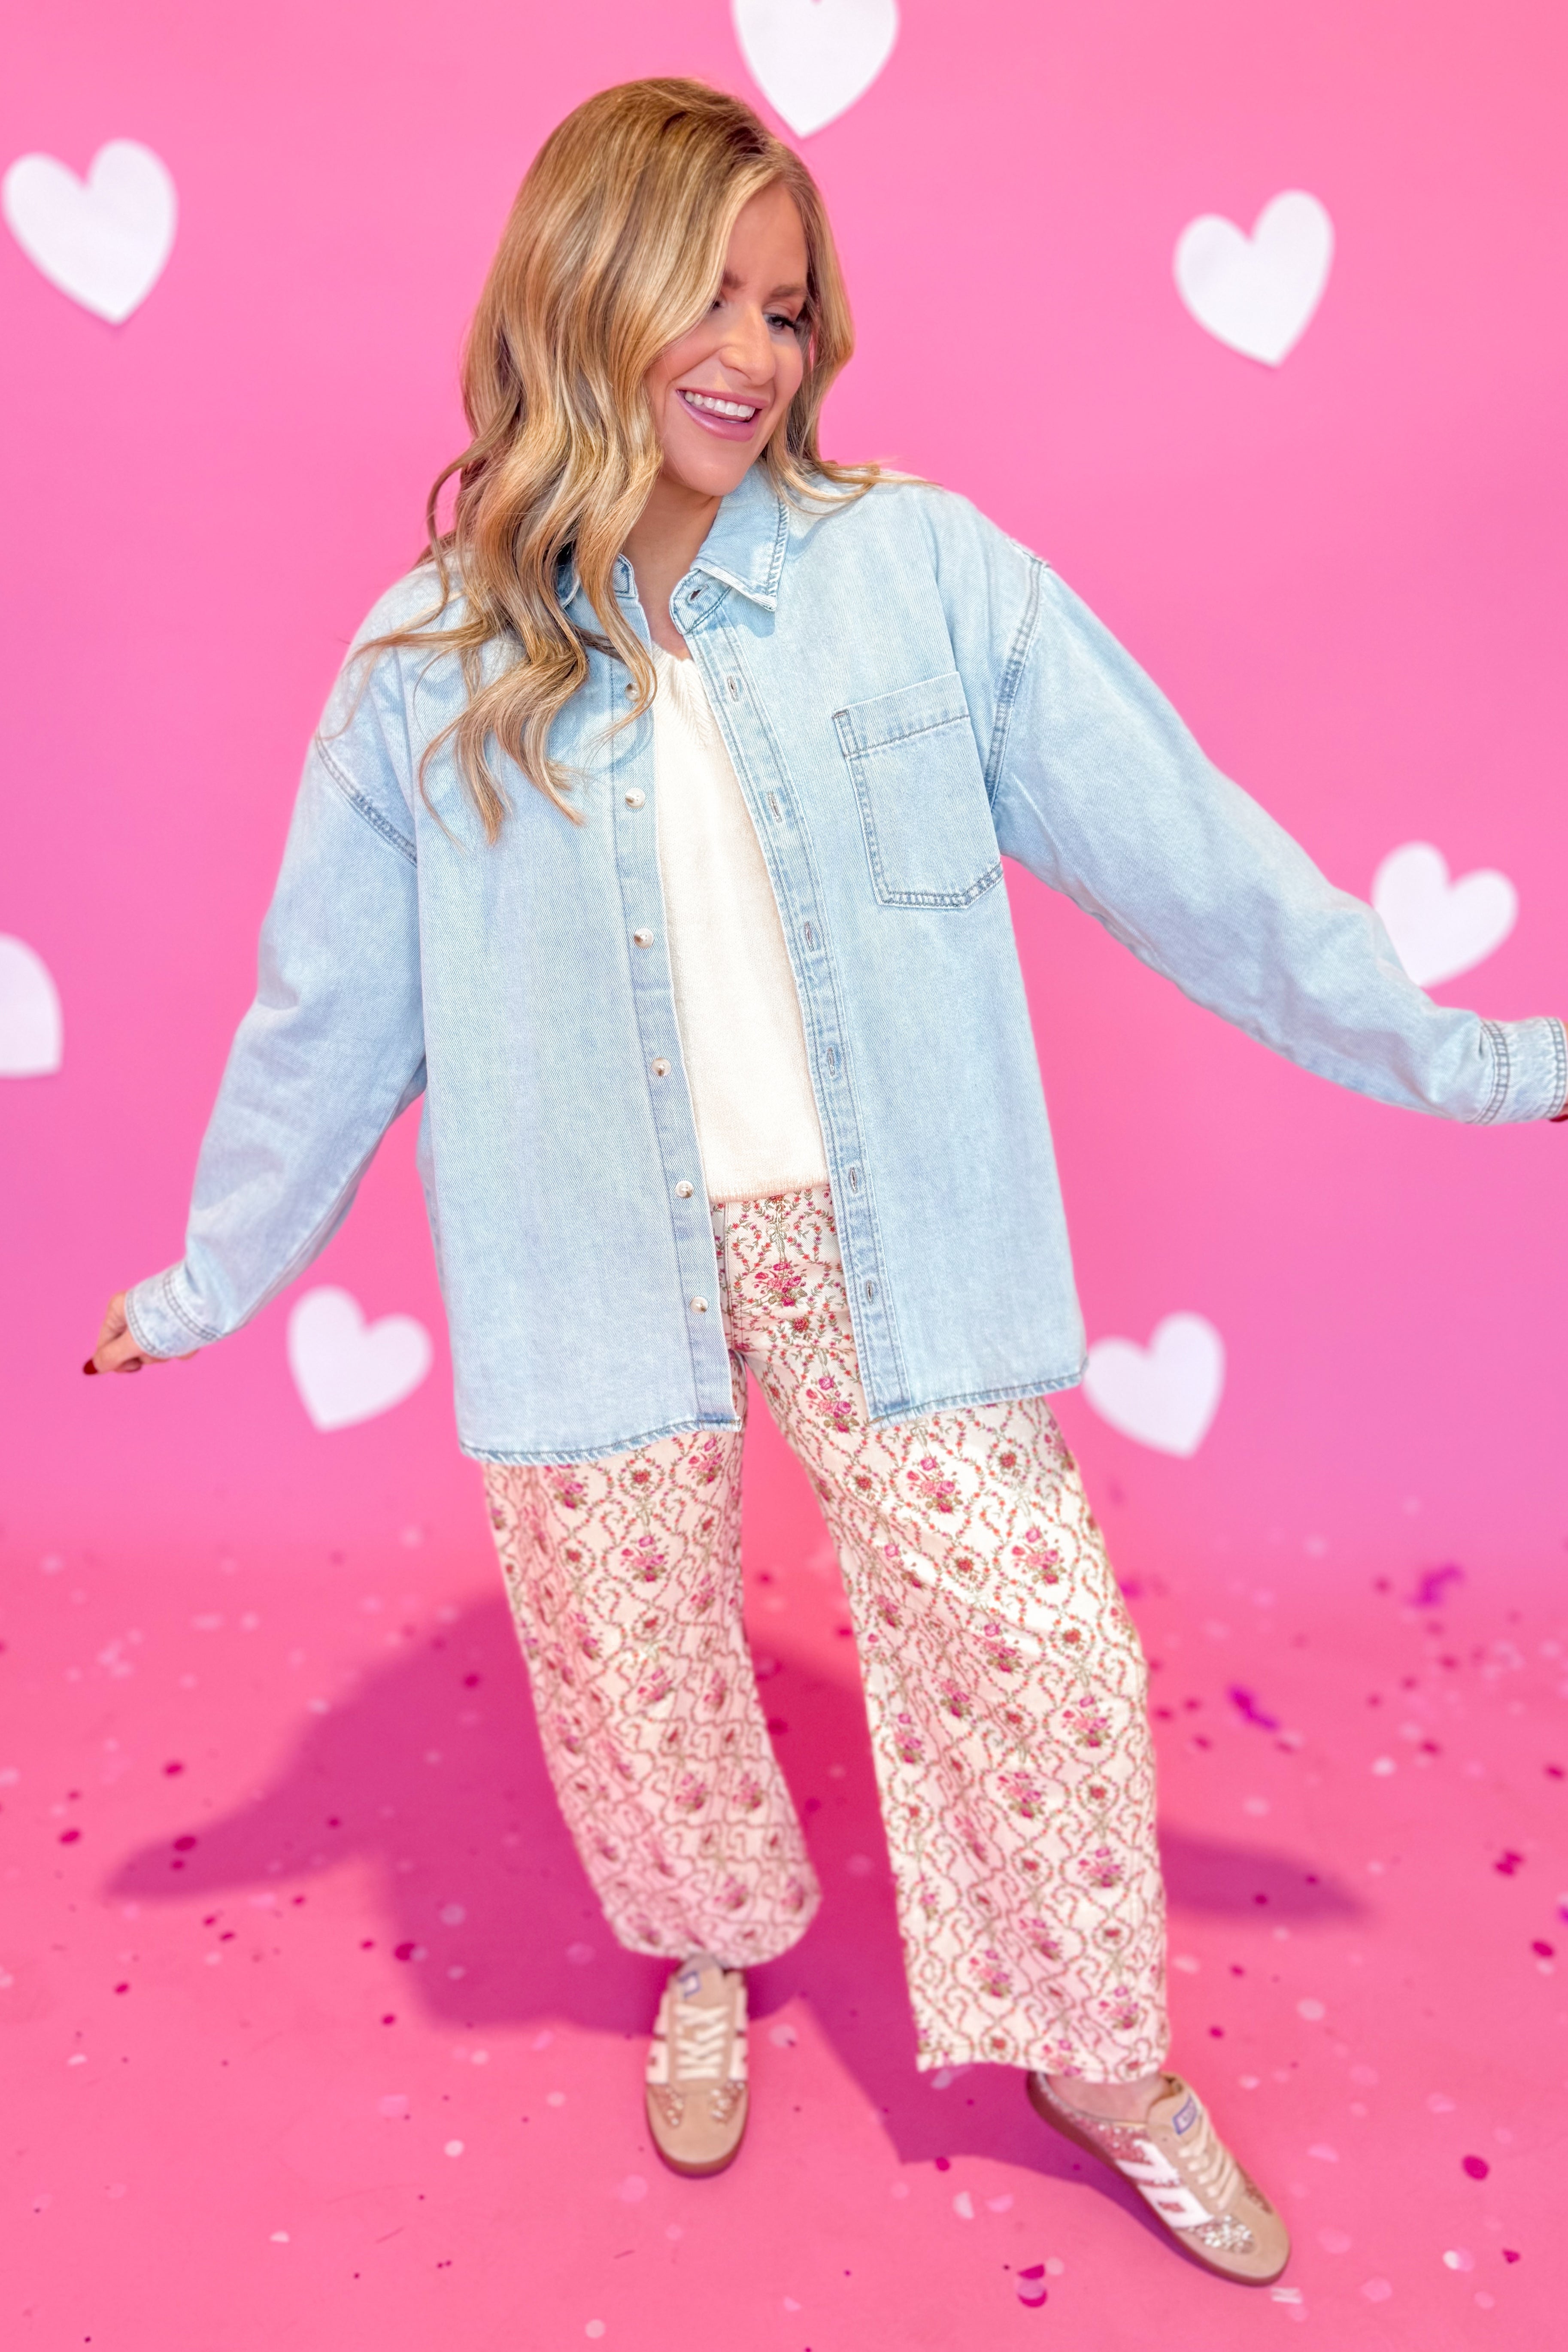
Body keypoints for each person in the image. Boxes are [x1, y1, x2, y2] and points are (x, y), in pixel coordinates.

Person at [86, 78, 1567, 2286]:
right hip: (590, 1245)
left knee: (1034, 1638)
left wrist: (1469, 1060)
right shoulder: (427, 665)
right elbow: (328, 1016)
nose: (753, 354)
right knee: (628, 1663)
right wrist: (212, 1277)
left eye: (783, 311)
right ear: (581, 290)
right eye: (707, 294)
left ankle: (1098, 2060)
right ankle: (710, 1942)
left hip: (891, 1230)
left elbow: (1191, 852)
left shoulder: (923, 574)